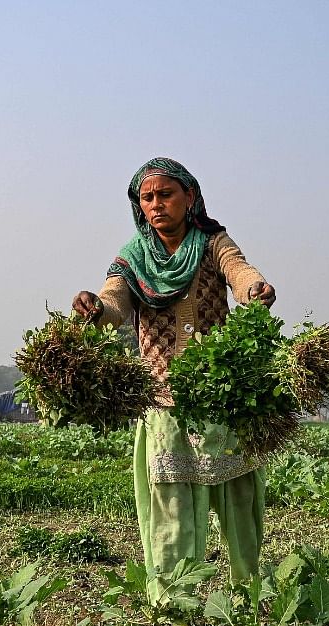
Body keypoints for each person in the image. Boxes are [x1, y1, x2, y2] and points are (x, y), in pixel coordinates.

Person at [72, 157, 276, 582]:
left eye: (165, 194)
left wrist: (253, 289)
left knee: (238, 495)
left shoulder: (212, 242)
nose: (156, 204)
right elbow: (115, 302)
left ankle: (248, 591)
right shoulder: (133, 258)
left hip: (221, 395)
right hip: (164, 398)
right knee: (170, 502)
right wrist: (95, 308)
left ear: (190, 197)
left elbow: (238, 270)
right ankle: (174, 598)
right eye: (147, 198)